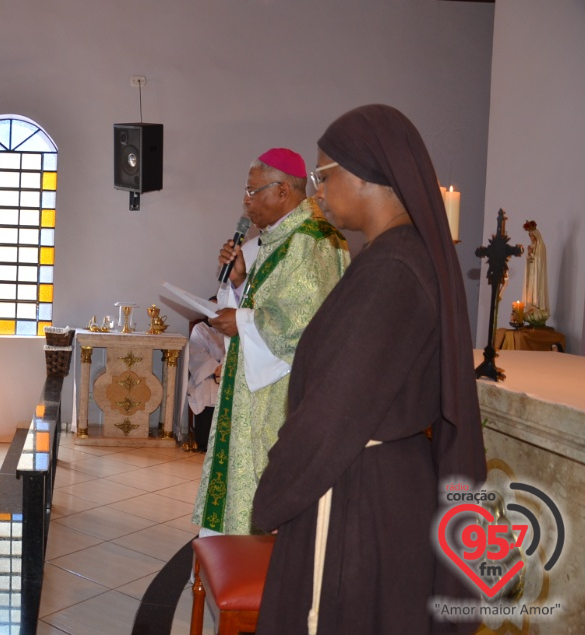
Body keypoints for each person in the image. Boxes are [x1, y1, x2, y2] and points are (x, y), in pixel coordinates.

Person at [250, 105, 488, 635]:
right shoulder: (393, 258)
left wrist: (273, 492)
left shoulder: (394, 270)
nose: (317, 191)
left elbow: (336, 408)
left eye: (323, 175)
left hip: (358, 499)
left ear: (365, 174)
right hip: (370, 484)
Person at [192, 148, 350, 535]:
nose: (245, 201)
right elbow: (268, 304)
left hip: (282, 397)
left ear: (282, 191)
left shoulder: (314, 241)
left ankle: (258, 576)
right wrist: (239, 282)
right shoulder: (278, 238)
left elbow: (304, 322)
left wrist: (242, 320)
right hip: (254, 388)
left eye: (252, 190)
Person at [186, 300, 225, 453]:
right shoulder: (200, 329)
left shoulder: (230, 329)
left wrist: (224, 366)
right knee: (207, 393)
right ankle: (205, 442)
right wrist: (217, 368)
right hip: (206, 376)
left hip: (227, 374)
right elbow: (197, 355)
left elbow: (235, 350)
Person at [522, 220, 549, 322]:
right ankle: (531, 306)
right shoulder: (532, 246)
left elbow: (539, 260)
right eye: (529, 236)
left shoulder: (541, 246)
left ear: (536, 236)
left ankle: (538, 306)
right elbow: (529, 261)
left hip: (538, 273)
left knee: (537, 289)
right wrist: (529, 254)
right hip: (532, 274)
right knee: (530, 290)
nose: (531, 238)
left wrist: (531, 254)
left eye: (532, 236)